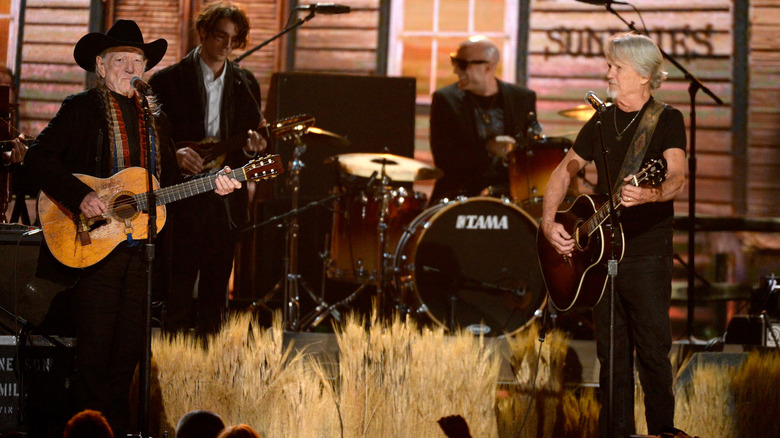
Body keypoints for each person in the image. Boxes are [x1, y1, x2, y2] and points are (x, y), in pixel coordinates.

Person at [23, 20, 241, 435]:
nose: (129, 67)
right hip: (95, 251)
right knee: (93, 360)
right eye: (119, 60)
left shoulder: (156, 121)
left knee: (127, 361)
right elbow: (37, 159)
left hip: (142, 255)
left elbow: (169, 189)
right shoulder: (81, 109)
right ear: (100, 68)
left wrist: (215, 186)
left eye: (137, 60)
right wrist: (78, 195)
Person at [539, 32, 686, 437]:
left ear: (642, 75)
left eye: (616, 68)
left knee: (653, 354)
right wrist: (549, 221)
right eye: (609, 66)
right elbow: (564, 170)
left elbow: (677, 175)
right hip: (602, 259)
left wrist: (650, 192)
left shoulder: (666, 119)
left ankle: (663, 433)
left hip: (647, 251)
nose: (608, 74)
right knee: (612, 357)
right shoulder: (601, 121)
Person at [149, 1, 267, 336]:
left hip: (224, 203)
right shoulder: (168, 80)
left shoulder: (245, 83)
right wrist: (175, 154)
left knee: (215, 300)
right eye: (220, 36)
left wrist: (253, 146)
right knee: (176, 297)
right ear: (202, 32)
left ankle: (209, 379)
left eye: (235, 39)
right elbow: (149, 140)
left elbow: (253, 139)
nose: (228, 46)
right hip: (180, 202)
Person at [429, 36, 537, 203]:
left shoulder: (522, 99)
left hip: (511, 195)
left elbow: (531, 153)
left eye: (462, 64)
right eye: (454, 62)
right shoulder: (445, 99)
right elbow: (444, 159)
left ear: (488, 66)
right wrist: (488, 148)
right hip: (460, 193)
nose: (456, 71)